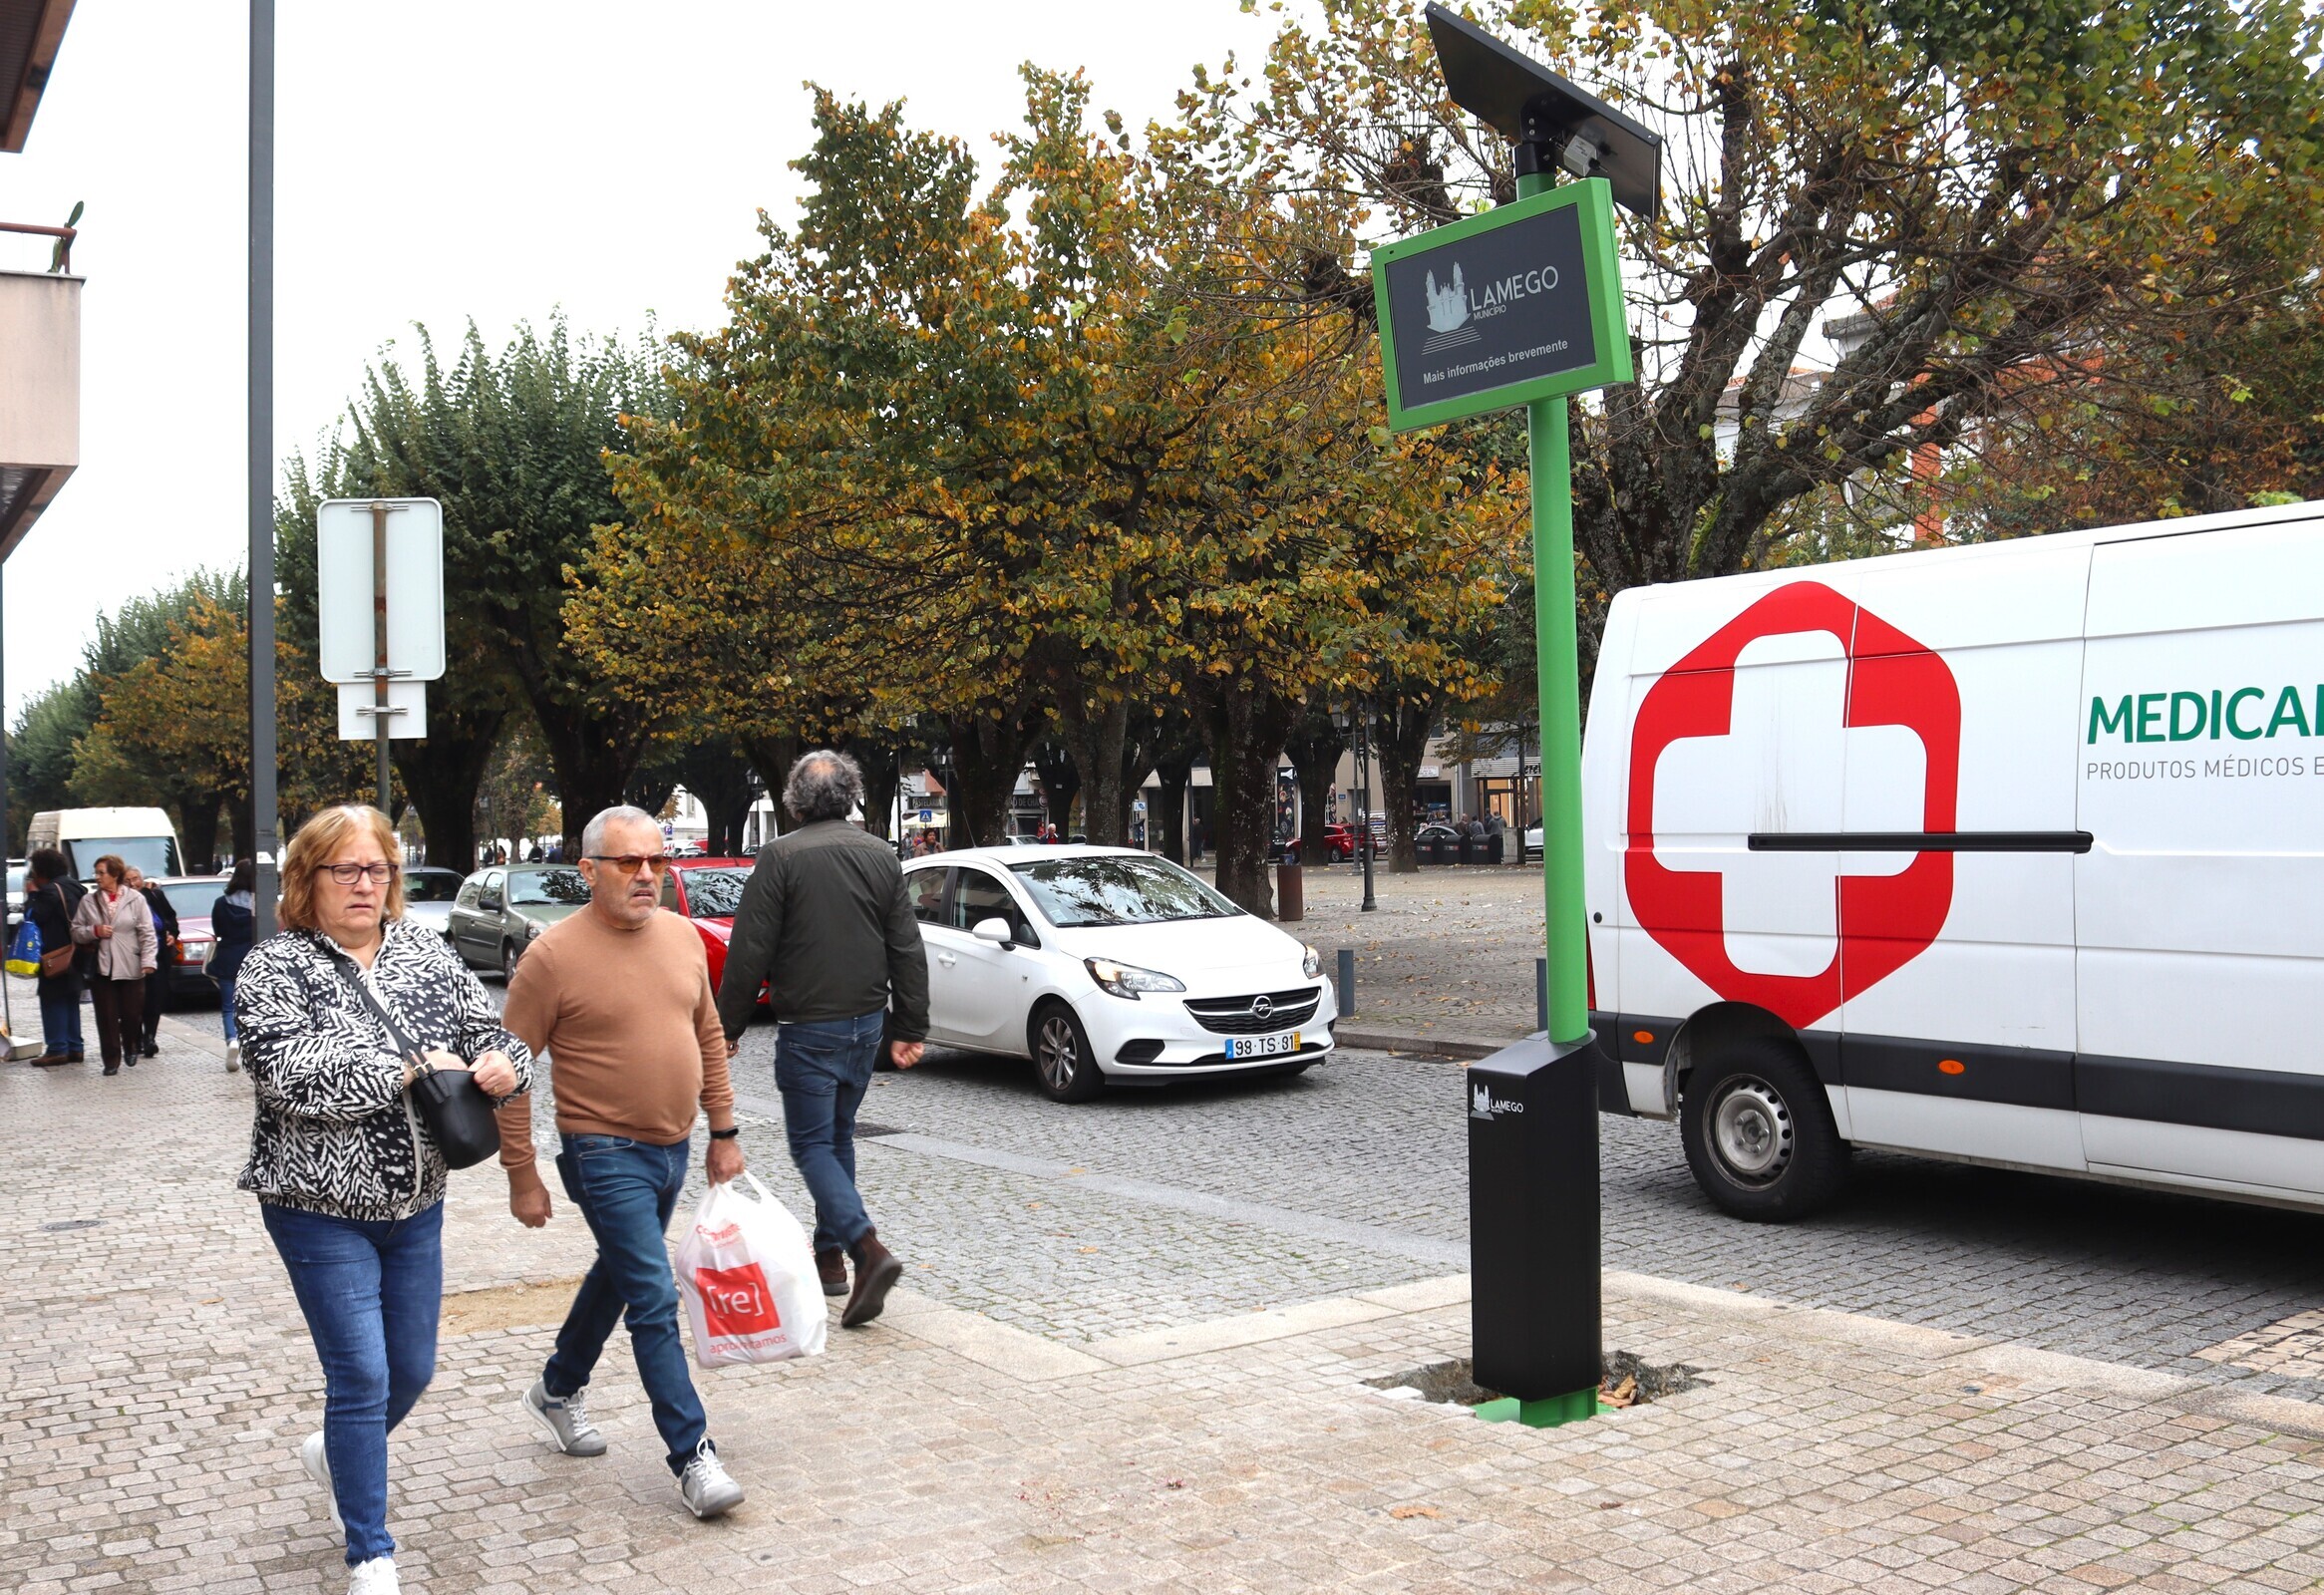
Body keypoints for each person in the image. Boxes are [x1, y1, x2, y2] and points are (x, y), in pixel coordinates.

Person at [234, 804, 528, 1595]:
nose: (367, 885)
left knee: (414, 1367)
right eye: (347, 871)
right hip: (314, 1205)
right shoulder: (275, 967)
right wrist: (398, 1069)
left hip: (417, 1203)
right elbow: (283, 1075)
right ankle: (370, 1550)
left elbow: (491, 1031)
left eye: (379, 870)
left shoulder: (424, 954)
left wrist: (503, 1065)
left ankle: (335, 1452)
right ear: (308, 879)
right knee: (360, 1375)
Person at [495, 804, 747, 1518]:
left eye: (657, 862)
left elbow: (707, 1033)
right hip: (601, 1149)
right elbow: (509, 1069)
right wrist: (522, 1172)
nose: (646, 876)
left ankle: (556, 1387)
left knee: (619, 1273)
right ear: (588, 871)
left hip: (674, 1144)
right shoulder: (551, 956)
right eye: (628, 863)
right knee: (653, 1296)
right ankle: (692, 1455)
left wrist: (722, 1130)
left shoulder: (680, 936)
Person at [717, 750, 929, 1327]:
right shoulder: (881, 855)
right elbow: (906, 946)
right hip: (865, 1025)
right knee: (837, 1140)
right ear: (852, 795)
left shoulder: (780, 857)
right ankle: (830, 1258)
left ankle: (865, 1248)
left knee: (813, 1145)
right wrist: (909, 1025)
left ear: (796, 801)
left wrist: (727, 1025)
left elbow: (750, 949)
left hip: (809, 1028)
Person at [71, 854, 156, 1076]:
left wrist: (148, 960)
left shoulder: (135, 899)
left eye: (102, 873)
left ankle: (130, 1045)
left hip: (131, 963)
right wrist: (93, 931)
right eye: (96, 873)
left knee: (132, 1014)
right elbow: (75, 931)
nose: (97, 877)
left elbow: (147, 932)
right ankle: (110, 1059)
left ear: (115, 874)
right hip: (102, 966)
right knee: (106, 1016)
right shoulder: (88, 901)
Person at [23, 848, 85, 1066]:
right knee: (70, 999)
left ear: (42, 871)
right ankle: (75, 1046)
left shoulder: (49, 892)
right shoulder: (77, 887)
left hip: (54, 954)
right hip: (76, 952)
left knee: (52, 999)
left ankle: (57, 1048)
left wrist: (31, 895)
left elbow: (34, 917)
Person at [209, 858, 257, 1072]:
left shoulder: (221, 903)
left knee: (229, 1007)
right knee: (254, 1006)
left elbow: (218, 930)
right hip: (253, 959)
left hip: (227, 957)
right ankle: (253, 1047)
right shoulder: (260, 903)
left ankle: (232, 1040)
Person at [127, 865, 178, 1058]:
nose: (133, 884)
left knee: (154, 999)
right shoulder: (124, 901)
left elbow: (171, 919)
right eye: (127, 880)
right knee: (134, 1000)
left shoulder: (155, 897)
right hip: (131, 958)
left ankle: (150, 1037)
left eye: (135, 879)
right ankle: (136, 1038)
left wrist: (172, 934)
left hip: (157, 957)